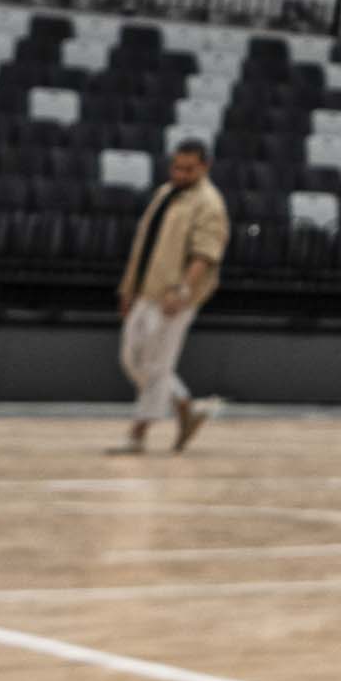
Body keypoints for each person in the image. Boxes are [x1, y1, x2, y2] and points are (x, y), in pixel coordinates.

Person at [112, 138, 225, 454]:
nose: (180, 173)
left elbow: (205, 254)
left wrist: (183, 291)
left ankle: (138, 433)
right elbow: (143, 246)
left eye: (189, 169)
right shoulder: (165, 194)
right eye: (177, 167)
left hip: (174, 297)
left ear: (205, 167)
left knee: (158, 365)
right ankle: (186, 407)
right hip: (146, 290)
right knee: (132, 359)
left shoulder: (209, 203)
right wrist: (128, 288)